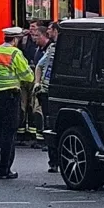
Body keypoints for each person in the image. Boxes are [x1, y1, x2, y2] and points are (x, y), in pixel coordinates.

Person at [0, 26, 34, 179]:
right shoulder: (15, 53)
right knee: (8, 134)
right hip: (10, 97)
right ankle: (4, 169)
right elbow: (28, 76)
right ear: (15, 40)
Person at [35, 21, 60, 173]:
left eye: (50, 29)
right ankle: (53, 162)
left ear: (56, 31)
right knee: (49, 125)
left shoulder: (67, 48)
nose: (48, 32)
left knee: (56, 126)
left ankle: (58, 160)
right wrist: (37, 83)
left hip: (59, 92)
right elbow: (40, 65)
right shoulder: (51, 48)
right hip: (46, 91)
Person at [29, 23, 51, 147]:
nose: (34, 38)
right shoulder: (39, 49)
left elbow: (41, 66)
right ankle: (41, 138)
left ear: (44, 36)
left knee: (40, 112)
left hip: (45, 86)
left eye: (37, 36)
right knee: (37, 110)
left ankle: (43, 140)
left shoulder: (50, 49)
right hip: (40, 85)